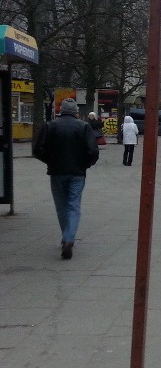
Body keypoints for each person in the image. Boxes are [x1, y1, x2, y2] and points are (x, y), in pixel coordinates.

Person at [33, 98, 99, 259]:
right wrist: (85, 165)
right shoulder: (84, 126)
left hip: (57, 172)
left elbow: (37, 149)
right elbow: (93, 151)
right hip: (77, 173)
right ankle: (69, 238)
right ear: (76, 111)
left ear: (61, 110)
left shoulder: (50, 126)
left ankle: (66, 237)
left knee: (61, 206)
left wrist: (50, 161)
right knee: (73, 205)